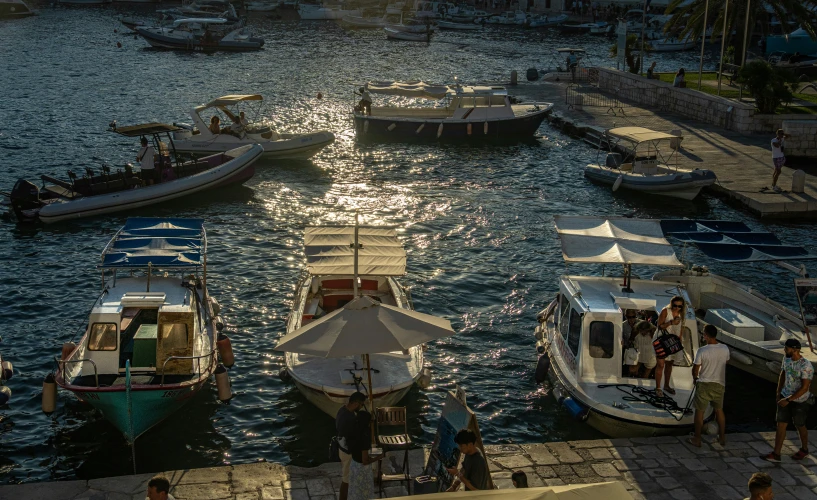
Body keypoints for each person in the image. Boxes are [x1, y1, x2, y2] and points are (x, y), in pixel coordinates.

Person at [764, 338, 814, 462]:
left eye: (787, 348)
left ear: (795, 350)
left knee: (800, 425)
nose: (784, 350)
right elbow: (783, 374)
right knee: (781, 424)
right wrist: (778, 393)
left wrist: (789, 399)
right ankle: (776, 454)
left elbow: (804, 388)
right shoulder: (786, 359)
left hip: (800, 401)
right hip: (784, 396)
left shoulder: (806, 366)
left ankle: (804, 449)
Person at [688, 324, 729, 448]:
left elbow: (695, 369)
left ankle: (697, 438)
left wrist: (695, 379)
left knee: (699, 412)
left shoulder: (702, 350)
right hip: (719, 383)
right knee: (719, 410)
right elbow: (726, 361)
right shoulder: (725, 348)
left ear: (706, 335)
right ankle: (722, 437)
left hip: (704, 383)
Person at [654, 295, 688, 397]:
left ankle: (666, 385)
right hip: (662, 340)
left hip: (673, 342)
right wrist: (671, 322)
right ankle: (658, 387)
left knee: (669, 364)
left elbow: (681, 329)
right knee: (660, 364)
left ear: (682, 307)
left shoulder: (682, 314)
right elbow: (659, 326)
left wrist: (679, 341)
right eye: (675, 305)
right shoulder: (666, 311)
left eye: (679, 306)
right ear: (671, 304)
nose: (677, 308)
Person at [337, 392, 367, 500]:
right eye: (362, 404)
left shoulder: (342, 410)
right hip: (347, 452)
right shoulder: (350, 419)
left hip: (341, 448)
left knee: (348, 478)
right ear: (356, 403)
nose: (362, 407)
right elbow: (354, 437)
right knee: (346, 480)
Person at [347, 409, 381, 500]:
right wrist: (379, 456)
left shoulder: (353, 430)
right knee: (364, 494)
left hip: (354, 466)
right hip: (362, 470)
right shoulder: (364, 436)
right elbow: (365, 461)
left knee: (355, 493)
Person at [769, 128, 791, 193]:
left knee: (776, 170)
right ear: (777, 134)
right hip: (776, 157)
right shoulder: (773, 140)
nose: (782, 135)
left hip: (781, 157)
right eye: (780, 134)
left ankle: (773, 184)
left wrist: (784, 134)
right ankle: (774, 185)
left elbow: (789, 136)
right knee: (778, 171)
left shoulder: (782, 138)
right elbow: (777, 146)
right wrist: (779, 140)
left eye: (782, 133)